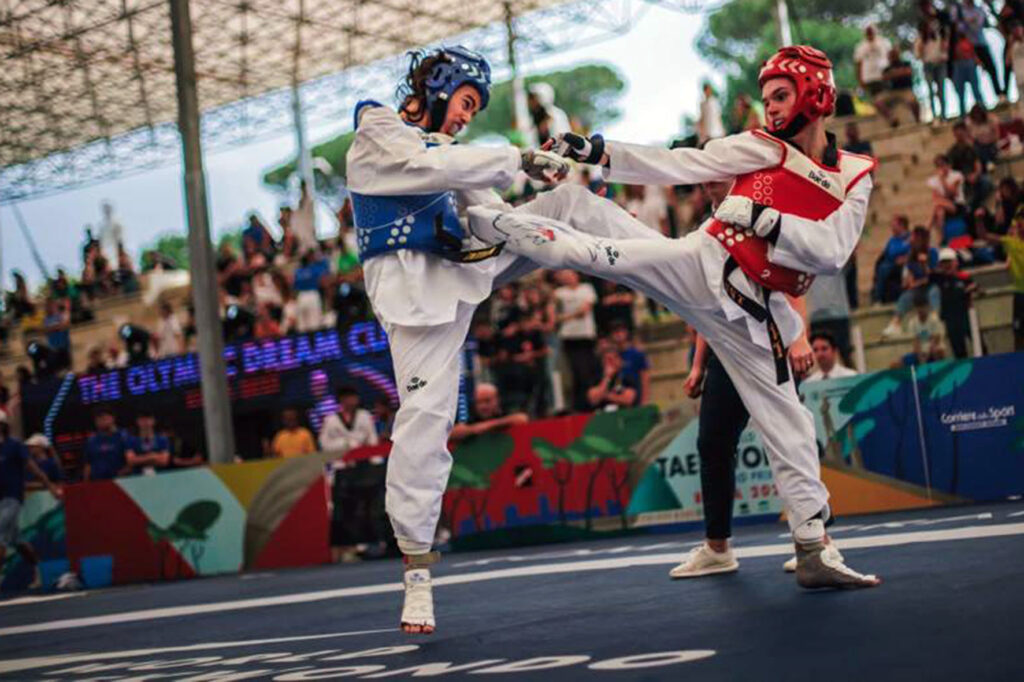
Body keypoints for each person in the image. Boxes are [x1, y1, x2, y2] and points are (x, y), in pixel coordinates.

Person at [470, 45, 880, 589]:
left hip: (760, 317)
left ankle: (813, 549)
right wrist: (596, 148)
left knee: (792, 429)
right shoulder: (756, 146)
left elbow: (832, 251)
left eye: (780, 95)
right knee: (582, 214)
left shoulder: (855, 174)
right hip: (705, 262)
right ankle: (482, 243)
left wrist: (763, 219)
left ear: (815, 94)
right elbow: (679, 162)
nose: (772, 108)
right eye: (767, 98)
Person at [344, 45, 572, 633]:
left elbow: (488, 205)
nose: (468, 115)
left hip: (469, 269)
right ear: (439, 90)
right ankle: (416, 571)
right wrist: (518, 157)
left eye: (474, 108)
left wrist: (549, 228)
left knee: (572, 209)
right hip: (414, 299)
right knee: (426, 417)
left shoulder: (457, 154)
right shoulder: (377, 126)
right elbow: (431, 165)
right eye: (465, 102)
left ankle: (662, 258)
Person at [0, 416, 61, 590]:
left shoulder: (14, 445)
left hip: (12, 497)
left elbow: (32, 467)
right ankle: (38, 570)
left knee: (1, 534)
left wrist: (49, 486)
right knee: (17, 540)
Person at [553, 269, 599, 411]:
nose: (568, 278)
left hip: (586, 334)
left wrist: (569, 315)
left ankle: (590, 403)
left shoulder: (587, 288)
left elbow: (586, 308)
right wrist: (574, 314)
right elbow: (555, 317)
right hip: (569, 337)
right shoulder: (558, 293)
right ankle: (579, 405)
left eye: (570, 275)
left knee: (590, 370)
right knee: (576, 372)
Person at [931, 247, 978, 358]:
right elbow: (928, 274)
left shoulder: (963, 276)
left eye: (949, 262)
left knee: (978, 344)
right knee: (959, 350)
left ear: (955, 262)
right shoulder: (939, 279)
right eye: (944, 263)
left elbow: (975, 287)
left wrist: (972, 288)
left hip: (965, 315)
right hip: (950, 318)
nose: (947, 265)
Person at [449, 383, 528, 441]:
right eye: (479, 402)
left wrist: (488, 426)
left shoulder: (505, 410)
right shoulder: (469, 414)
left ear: (497, 399)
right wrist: (474, 429)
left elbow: (522, 418)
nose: (483, 406)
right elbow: (452, 433)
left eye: (487, 401)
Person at [318, 386, 379, 454]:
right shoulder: (330, 420)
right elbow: (324, 443)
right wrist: (345, 443)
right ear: (342, 399)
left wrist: (373, 453)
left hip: (365, 456)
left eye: (355, 396)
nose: (354, 399)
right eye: (350, 396)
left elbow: (372, 436)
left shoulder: (365, 415)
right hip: (340, 458)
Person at [876, 47, 921, 126]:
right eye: (891, 55)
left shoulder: (906, 63)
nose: (893, 57)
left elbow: (908, 72)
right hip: (892, 92)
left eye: (894, 55)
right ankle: (892, 119)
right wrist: (899, 72)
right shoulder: (886, 69)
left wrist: (893, 74)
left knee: (914, 102)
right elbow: (884, 78)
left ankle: (918, 120)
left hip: (905, 90)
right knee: (878, 101)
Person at [609, 321, 649, 405]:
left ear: (626, 333)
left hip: (635, 394)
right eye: (615, 332)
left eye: (621, 331)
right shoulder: (611, 356)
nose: (618, 335)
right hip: (618, 394)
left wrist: (644, 400)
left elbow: (645, 378)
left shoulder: (637, 354)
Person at [916, 17, 949, 121]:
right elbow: (918, 56)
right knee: (930, 91)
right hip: (928, 66)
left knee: (941, 90)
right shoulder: (920, 41)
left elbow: (944, 50)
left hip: (940, 65)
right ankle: (934, 115)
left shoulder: (937, 37)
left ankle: (943, 115)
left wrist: (942, 57)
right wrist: (921, 45)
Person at [83, 407, 129, 481]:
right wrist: (86, 482)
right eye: (98, 419)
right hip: (98, 482)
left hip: (121, 481)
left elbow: (131, 460)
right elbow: (88, 464)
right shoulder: (92, 441)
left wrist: (123, 473)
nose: (101, 421)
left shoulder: (123, 436)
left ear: (112, 418)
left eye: (104, 418)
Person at [125, 411, 172, 476]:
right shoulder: (131, 440)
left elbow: (164, 461)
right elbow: (131, 461)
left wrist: (139, 458)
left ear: (153, 421)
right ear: (138, 422)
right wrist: (153, 456)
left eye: (148, 419)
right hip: (138, 477)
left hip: (160, 476)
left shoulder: (162, 439)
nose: (145, 422)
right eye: (142, 420)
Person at [854, 25, 892, 102]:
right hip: (869, 78)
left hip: (883, 75)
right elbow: (858, 64)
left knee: (886, 97)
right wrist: (860, 80)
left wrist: (891, 73)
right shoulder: (861, 46)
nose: (870, 35)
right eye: (868, 33)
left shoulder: (884, 42)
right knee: (875, 99)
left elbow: (890, 57)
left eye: (871, 32)